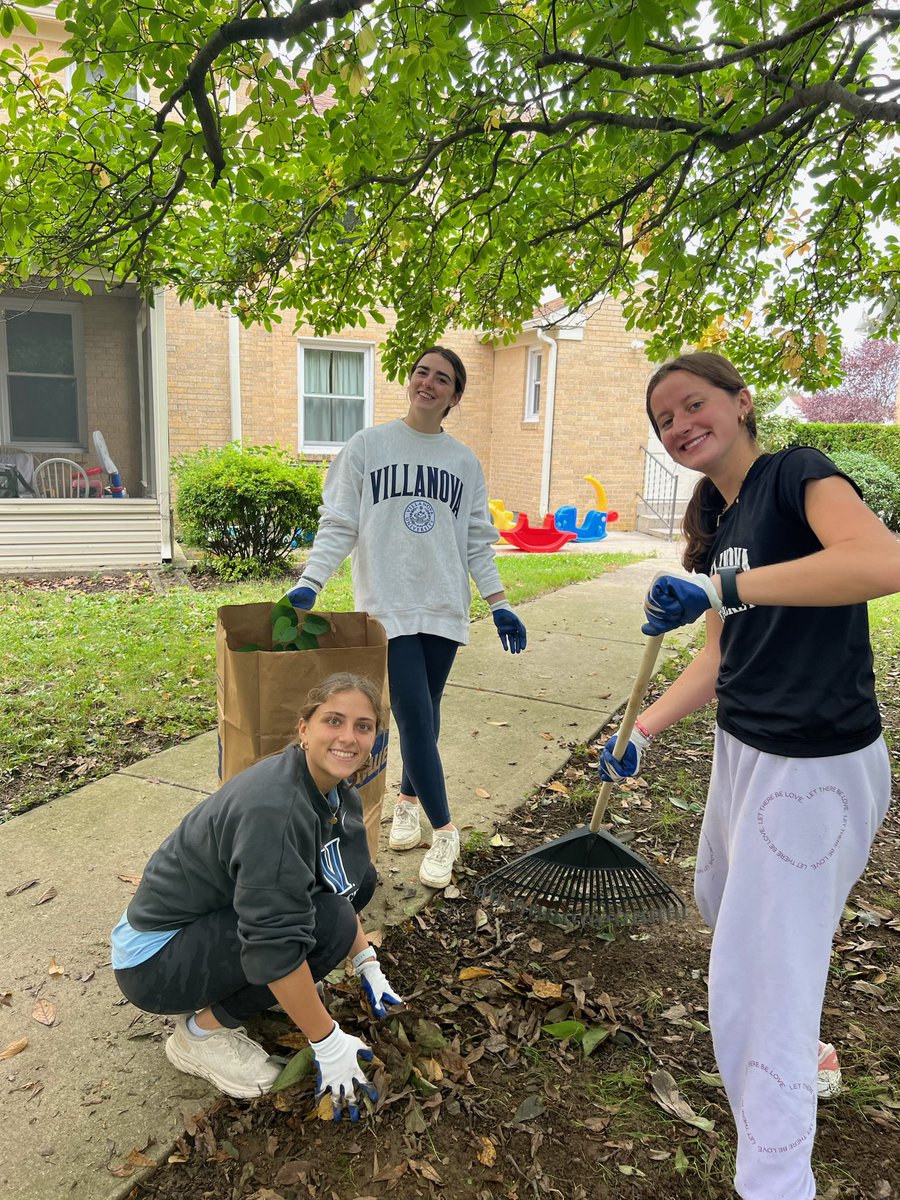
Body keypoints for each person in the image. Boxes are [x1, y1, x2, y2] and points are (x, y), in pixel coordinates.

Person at [599, 352, 900, 1200]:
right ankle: (806, 1048)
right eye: (664, 420)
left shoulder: (795, 474)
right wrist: (643, 732)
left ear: (741, 402)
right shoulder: (722, 520)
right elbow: (717, 659)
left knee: (758, 976)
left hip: (813, 769)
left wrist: (724, 586)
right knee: (723, 901)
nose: (679, 425)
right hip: (747, 752)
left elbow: (883, 562)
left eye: (693, 404)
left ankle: (775, 1180)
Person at [285, 346, 527, 890]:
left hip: (443, 603)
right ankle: (445, 831)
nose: (428, 382)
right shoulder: (368, 447)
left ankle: (409, 801)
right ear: (410, 380)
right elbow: (340, 522)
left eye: (442, 378)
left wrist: (500, 603)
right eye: (422, 372)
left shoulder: (463, 461)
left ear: (455, 396)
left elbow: (476, 542)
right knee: (414, 716)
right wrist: (311, 581)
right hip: (387, 605)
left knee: (428, 713)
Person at [112, 673, 401, 1119]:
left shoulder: (331, 790)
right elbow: (275, 943)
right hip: (154, 963)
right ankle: (198, 1036)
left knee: (358, 882)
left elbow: (337, 883)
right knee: (327, 927)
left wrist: (366, 961)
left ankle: (264, 990)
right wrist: (327, 1041)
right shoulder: (275, 809)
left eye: (363, 726)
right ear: (304, 728)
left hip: (203, 922)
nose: (348, 737)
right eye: (334, 720)